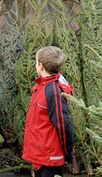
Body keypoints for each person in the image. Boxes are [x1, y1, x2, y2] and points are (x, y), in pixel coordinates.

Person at [22, 46, 74, 177]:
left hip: (50, 156)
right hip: (40, 154)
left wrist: (68, 152)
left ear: (40, 66)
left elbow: (63, 124)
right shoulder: (41, 86)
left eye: (36, 62)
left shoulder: (53, 91)